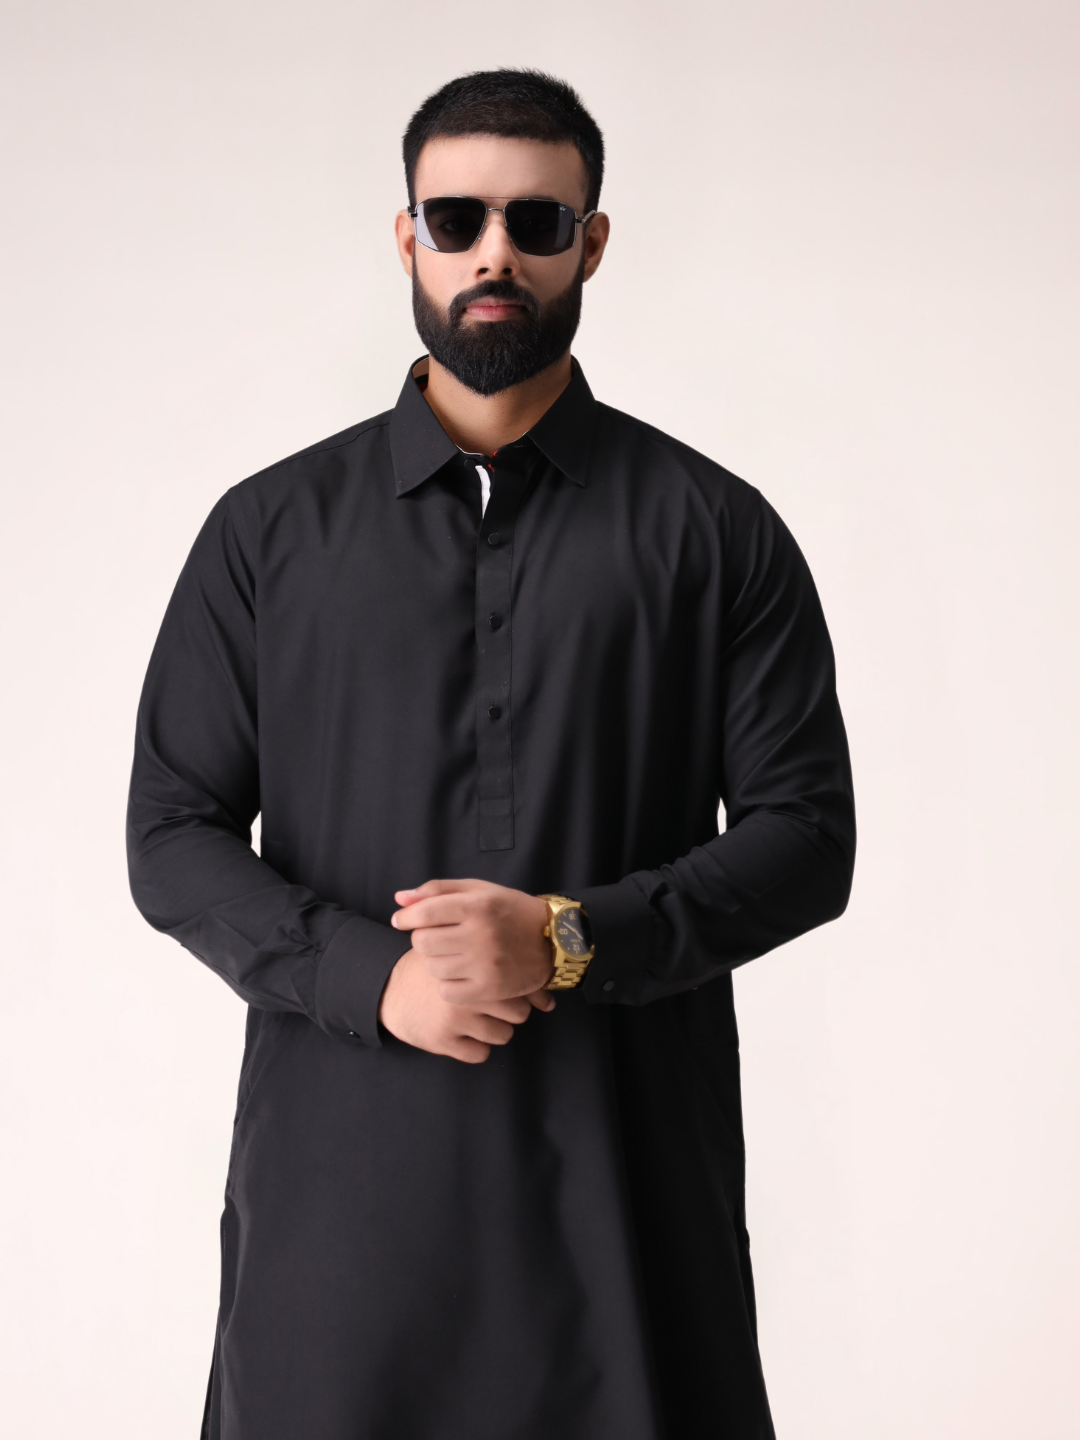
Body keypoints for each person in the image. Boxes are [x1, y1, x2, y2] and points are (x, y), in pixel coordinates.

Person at [128, 68, 855, 1440]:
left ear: (593, 241)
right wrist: (372, 976)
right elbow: (170, 833)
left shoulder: (713, 530)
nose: (494, 255)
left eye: (537, 221)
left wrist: (569, 939)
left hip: (624, 1206)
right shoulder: (268, 534)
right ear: (407, 237)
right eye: (457, 219)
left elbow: (809, 839)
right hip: (336, 1214)